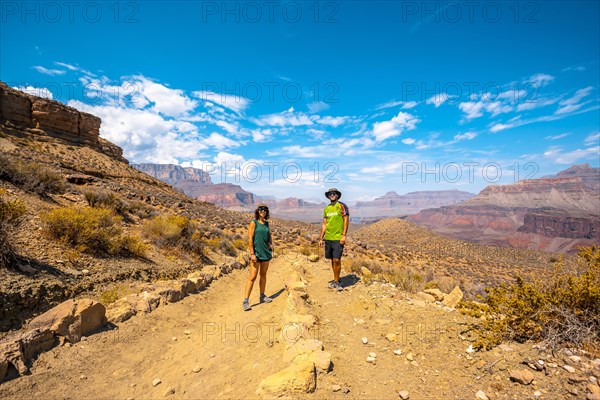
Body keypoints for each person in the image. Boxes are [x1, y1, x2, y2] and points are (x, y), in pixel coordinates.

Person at [243, 203, 273, 311]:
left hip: (266, 253)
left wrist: (270, 244)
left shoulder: (266, 224)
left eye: (265, 210)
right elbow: (250, 239)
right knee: (252, 277)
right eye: (261, 209)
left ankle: (262, 296)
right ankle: (245, 301)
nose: (263, 211)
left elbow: (269, 237)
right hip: (256, 253)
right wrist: (252, 254)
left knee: (263, 275)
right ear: (258, 211)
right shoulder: (253, 223)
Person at [319, 188, 349, 291]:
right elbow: (324, 224)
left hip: (337, 238)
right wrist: (321, 238)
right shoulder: (326, 209)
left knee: (337, 259)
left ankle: (337, 282)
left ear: (337, 195)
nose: (332, 195)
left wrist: (344, 235)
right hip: (328, 238)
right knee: (332, 260)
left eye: (334, 194)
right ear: (328, 196)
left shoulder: (341, 206)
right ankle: (336, 279)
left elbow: (346, 220)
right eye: (330, 194)